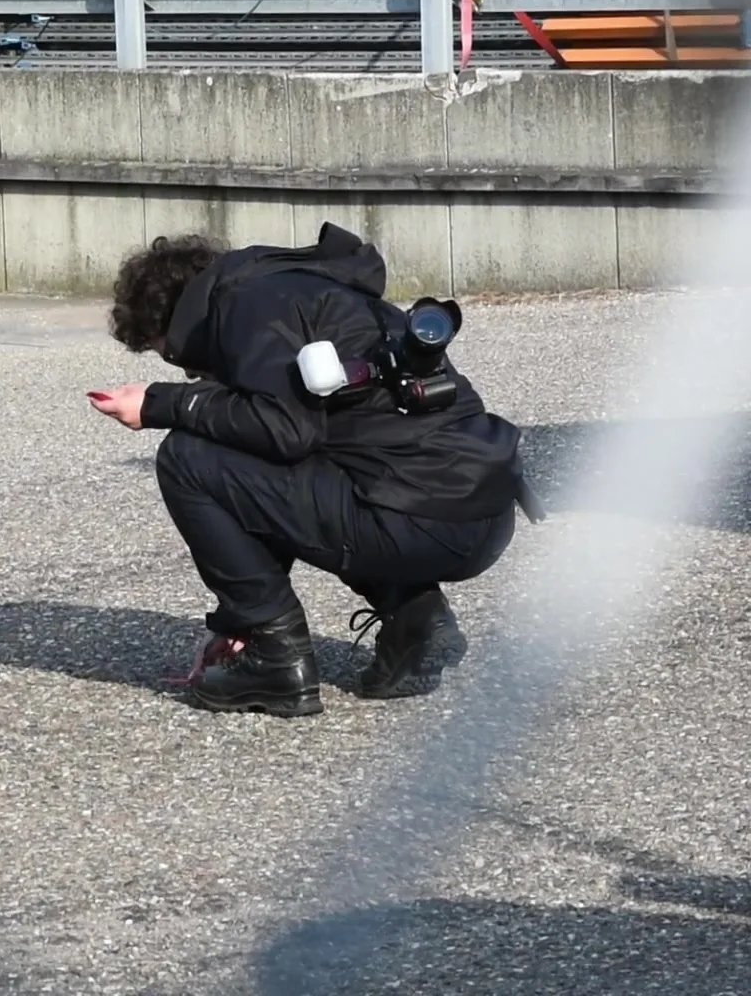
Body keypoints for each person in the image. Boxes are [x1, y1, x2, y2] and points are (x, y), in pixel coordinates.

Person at [89, 222, 530, 717]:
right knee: (295, 458)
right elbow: (287, 460)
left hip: (418, 521)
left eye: (169, 352)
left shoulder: (246, 306)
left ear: (172, 320)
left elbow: (282, 431)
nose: (188, 371)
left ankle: (275, 659)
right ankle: (415, 622)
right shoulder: (305, 289)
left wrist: (161, 403)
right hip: (482, 514)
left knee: (188, 458)